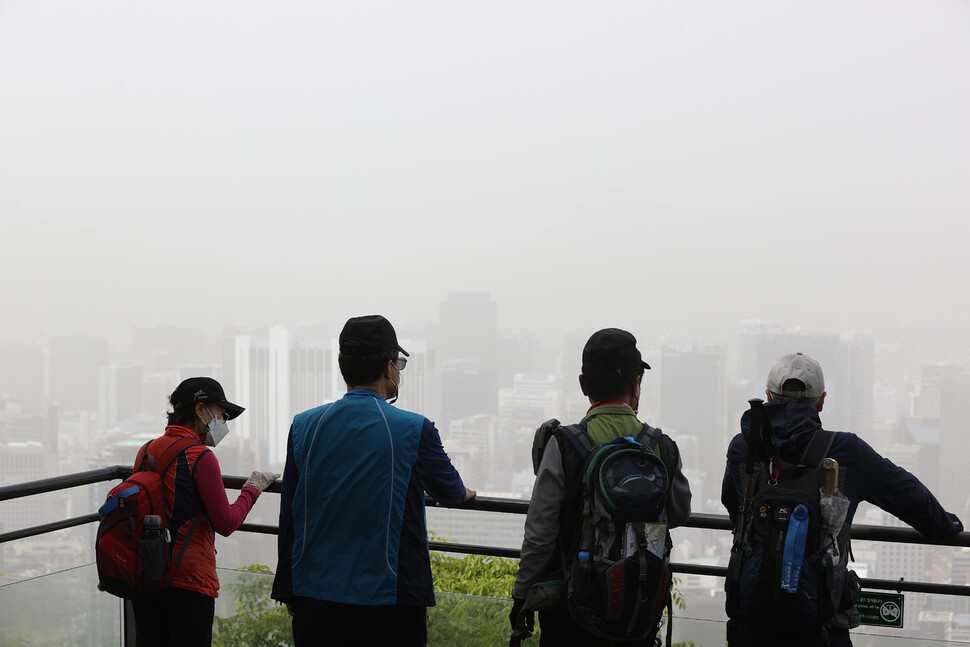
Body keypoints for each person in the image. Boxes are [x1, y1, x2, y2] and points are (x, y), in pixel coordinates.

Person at [721, 352, 964, 647]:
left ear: (768, 397)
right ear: (821, 402)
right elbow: (907, 495)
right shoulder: (846, 451)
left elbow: (734, 506)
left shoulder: (742, 448)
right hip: (820, 623)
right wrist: (947, 526)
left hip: (751, 620)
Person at [272, 314, 476, 647]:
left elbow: (290, 513)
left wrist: (288, 587)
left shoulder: (304, 426)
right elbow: (449, 491)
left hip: (315, 595)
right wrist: (465, 492)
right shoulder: (414, 429)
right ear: (388, 367)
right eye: (399, 363)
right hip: (390, 599)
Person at [511, 328, 692, 646]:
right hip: (638, 611)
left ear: (583, 384)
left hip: (572, 614)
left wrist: (521, 595)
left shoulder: (564, 445)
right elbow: (678, 513)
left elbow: (539, 534)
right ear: (637, 382)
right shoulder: (661, 446)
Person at [130, 376, 278, 647]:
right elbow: (226, 522)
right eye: (221, 414)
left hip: (148, 576)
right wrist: (253, 487)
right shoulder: (200, 457)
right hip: (189, 584)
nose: (223, 423)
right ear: (200, 410)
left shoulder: (146, 451)